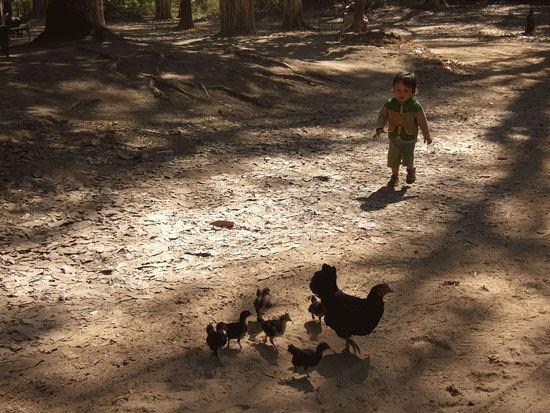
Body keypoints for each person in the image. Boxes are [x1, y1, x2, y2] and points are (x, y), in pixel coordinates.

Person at [372, 72, 432, 188]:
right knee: (393, 158)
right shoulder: (390, 104)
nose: (401, 93)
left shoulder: (415, 106)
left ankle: (410, 170)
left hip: (409, 138)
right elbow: (382, 115)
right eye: (398, 90)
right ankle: (394, 176)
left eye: (406, 91)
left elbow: (422, 121)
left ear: (413, 91)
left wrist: (427, 135)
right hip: (394, 136)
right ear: (393, 89)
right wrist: (379, 128)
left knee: (408, 157)